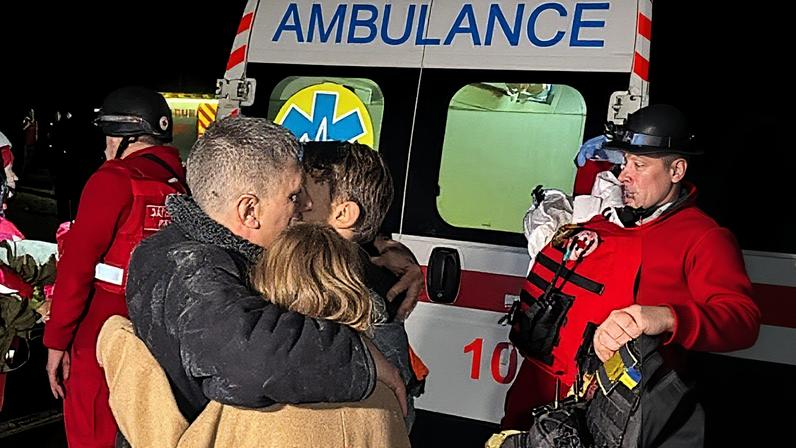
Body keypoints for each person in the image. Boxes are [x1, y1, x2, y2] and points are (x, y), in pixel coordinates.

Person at [124, 116, 415, 427]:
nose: (303, 205)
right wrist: (361, 359)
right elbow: (250, 358)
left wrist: (382, 246)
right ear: (249, 211)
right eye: (293, 196)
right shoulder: (192, 268)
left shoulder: (200, 249)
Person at [502, 104, 761, 438]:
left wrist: (667, 317)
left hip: (605, 418)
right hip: (534, 396)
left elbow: (742, 320)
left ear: (676, 170)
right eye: (625, 162)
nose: (624, 174)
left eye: (639, 165)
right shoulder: (604, 220)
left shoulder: (703, 237)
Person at [96, 223, 410, 448]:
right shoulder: (385, 396)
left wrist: (118, 340)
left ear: (266, 286)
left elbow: (164, 439)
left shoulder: (250, 403)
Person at [43, 86, 187, 447]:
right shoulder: (184, 185)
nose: (105, 146)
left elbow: (76, 269)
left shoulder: (113, 180)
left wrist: (56, 342)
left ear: (126, 136)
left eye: (108, 136)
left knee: (94, 428)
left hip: (102, 333)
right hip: (164, 332)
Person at [299, 140, 429, 427]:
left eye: (301, 192)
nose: (294, 203)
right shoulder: (362, 268)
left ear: (344, 213)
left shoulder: (349, 293)